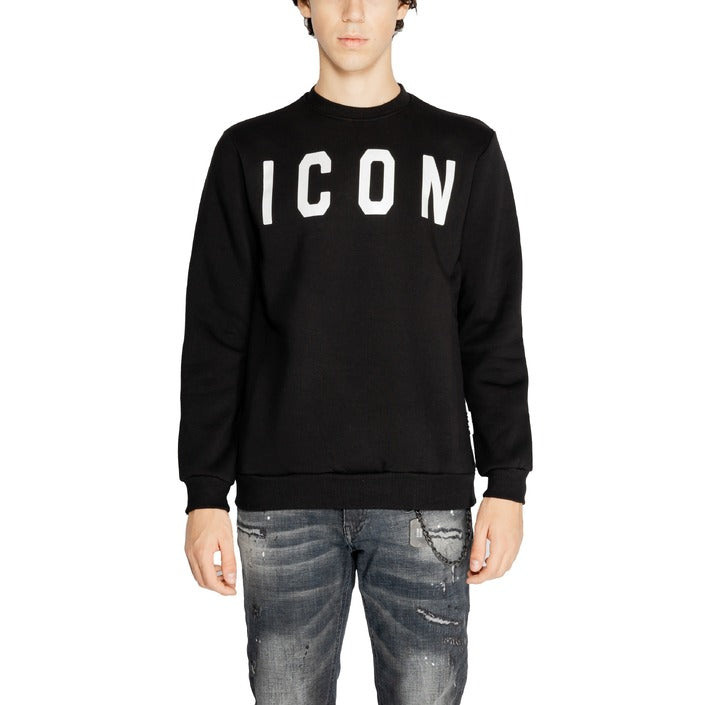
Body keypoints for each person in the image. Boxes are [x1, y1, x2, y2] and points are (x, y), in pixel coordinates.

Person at [178, 1, 533, 702]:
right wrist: (203, 493)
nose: (352, 10)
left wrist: (507, 479)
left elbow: (491, 326)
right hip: (282, 501)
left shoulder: (465, 151)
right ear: (302, 4)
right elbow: (216, 332)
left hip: (425, 500)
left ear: (405, 5)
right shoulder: (249, 153)